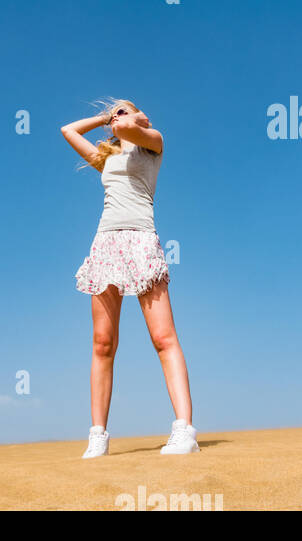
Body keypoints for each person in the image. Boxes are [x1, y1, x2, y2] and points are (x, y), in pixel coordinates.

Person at [60, 99, 199, 458]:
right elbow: (68, 131)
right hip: (106, 243)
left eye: (124, 109)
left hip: (141, 240)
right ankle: (98, 435)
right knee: (102, 343)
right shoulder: (106, 159)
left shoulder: (153, 143)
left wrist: (129, 118)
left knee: (163, 338)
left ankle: (185, 430)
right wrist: (106, 117)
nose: (116, 117)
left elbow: (126, 129)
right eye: (114, 112)